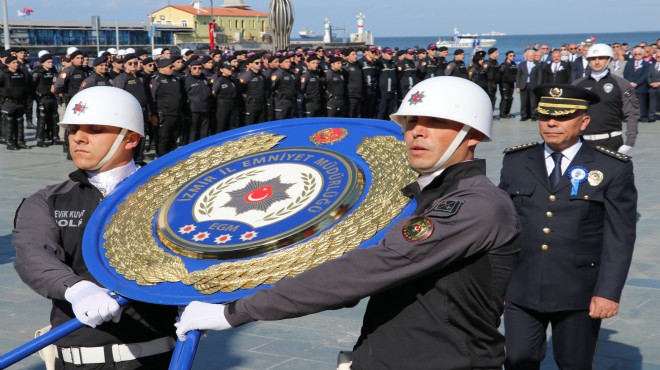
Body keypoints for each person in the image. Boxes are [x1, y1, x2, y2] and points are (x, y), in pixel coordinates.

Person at [175, 76, 522, 369]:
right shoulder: (419, 197)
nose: (417, 132)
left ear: (472, 135)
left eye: (435, 122)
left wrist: (237, 311)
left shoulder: (475, 206)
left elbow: (369, 269)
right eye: (411, 122)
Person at [13, 86, 178, 369]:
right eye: (74, 128)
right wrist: (75, 289)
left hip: (150, 358)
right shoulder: (49, 199)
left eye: (96, 129)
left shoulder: (171, 196)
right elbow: (32, 255)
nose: (78, 137)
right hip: (75, 360)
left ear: (131, 138)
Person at [500, 84, 637, 370]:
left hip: (578, 293)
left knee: (574, 364)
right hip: (521, 289)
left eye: (562, 117)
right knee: (516, 362)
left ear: (583, 121)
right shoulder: (515, 161)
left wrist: (608, 291)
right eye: (545, 116)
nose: (551, 123)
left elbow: (619, 237)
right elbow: (503, 225)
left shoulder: (611, 167)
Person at [573, 43, 639, 153]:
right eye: (593, 58)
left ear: (609, 59)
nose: (597, 61)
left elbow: (632, 113)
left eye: (601, 58)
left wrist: (629, 142)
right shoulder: (577, 84)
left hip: (611, 142)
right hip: (582, 142)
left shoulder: (621, 84)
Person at [1, 55, 31, 150]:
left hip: (20, 101)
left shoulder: (21, 73)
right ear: (8, 64)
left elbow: (26, 86)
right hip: (9, 102)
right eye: (13, 63)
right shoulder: (4, 74)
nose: (16, 64)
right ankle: (10, 142)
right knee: (10, 121)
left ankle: (20, 141)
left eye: (17, 62)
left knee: (19, 121)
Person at [623, 47, 651, 122]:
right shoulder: (629, 63)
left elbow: (645, 75)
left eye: (639, 54)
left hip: (641, 86)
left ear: (643, 55)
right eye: (635, 54)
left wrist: (637, 83)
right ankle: (629, 116)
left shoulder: (647, 64)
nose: (637, 55)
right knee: (630, 102)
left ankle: (643, 116)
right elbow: (625, 74)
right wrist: (629, 83)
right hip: (630, 86)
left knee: (642, 103)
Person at [517, 49, 540, 121]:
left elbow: (539, 76)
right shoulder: (522, 64)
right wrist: (517, 86)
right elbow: (518, 76)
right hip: (523, 85)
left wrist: (538, 86)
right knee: (523, 101)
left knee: (533, 102)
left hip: (534, 85)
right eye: (529, 55)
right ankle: (523, 115)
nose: (531, 57)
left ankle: (533, 115)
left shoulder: (537, 64)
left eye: (532, 55)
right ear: (526, 56)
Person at [499, 50, 517, 119]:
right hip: (504, 84)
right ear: (507, 56)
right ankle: (502, 114)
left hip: (511, 83)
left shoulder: (514, 64)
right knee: (505, 98)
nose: (512, 57)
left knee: (510, 98)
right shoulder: (503, 65)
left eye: (513, 55)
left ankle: (507, 113)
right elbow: (499, 74)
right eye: (511, 56)